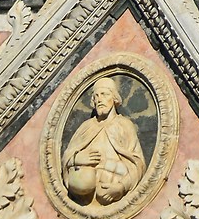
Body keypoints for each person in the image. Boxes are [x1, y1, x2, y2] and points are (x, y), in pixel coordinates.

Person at [62, 74, 147, 210]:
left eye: (104, 94)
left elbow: (137, 164)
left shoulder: (124, 125)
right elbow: (67, 156)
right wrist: (76, 159)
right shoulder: (86, 127)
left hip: (113, 187)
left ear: (114, 98)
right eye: (96, 96)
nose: (99, 99)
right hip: (84, 192)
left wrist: (121, 187)